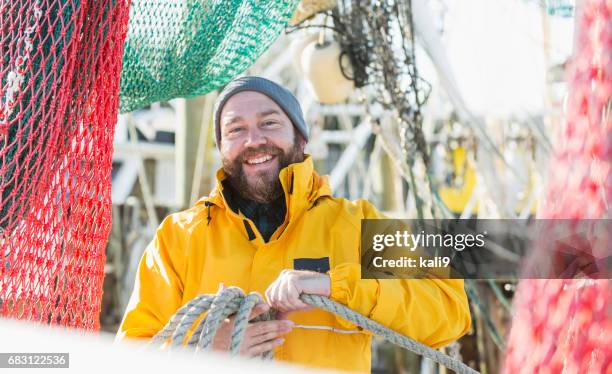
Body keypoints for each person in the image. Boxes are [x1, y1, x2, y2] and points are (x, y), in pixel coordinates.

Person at [116, 76, 471, 372]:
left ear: (301, 138)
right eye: (236, 130)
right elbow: (128, 356)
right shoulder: (179, 238)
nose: (254, 140)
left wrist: (338, 286)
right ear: (222, 149)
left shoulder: (355, 223)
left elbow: (448, 308)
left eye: (269, 123)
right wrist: (202, 351)